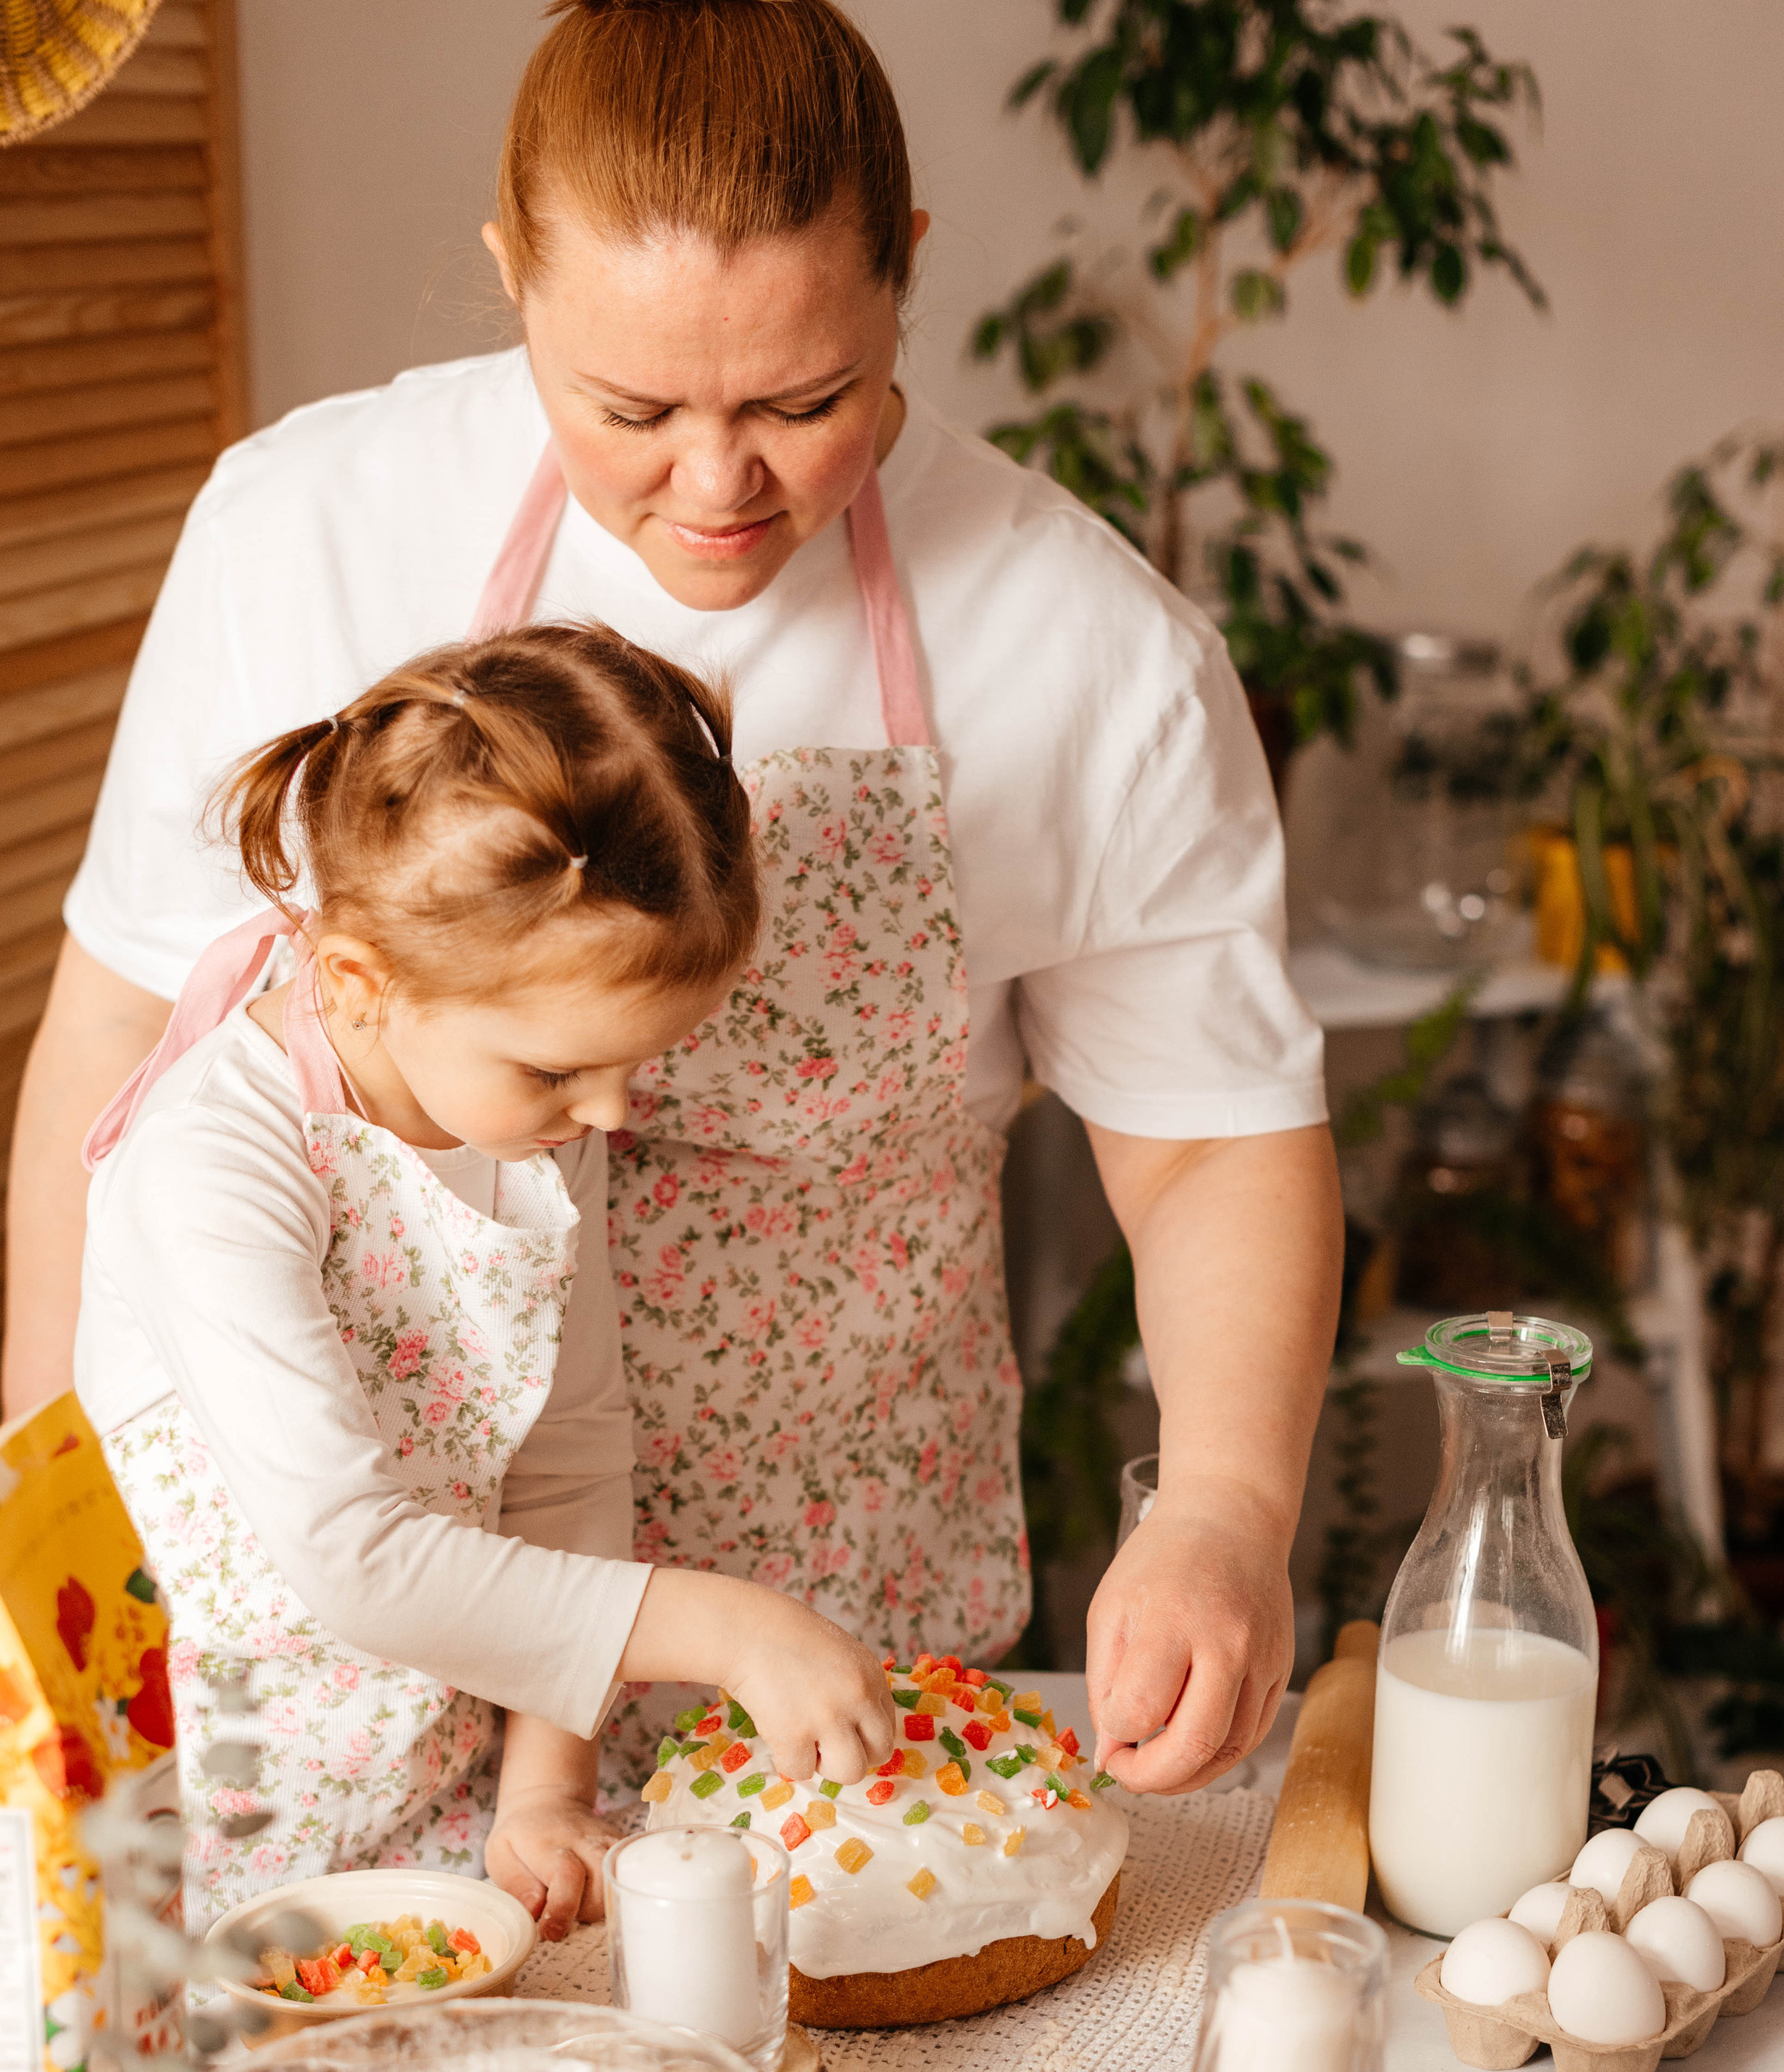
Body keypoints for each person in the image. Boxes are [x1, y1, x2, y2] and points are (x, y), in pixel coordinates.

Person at [14, 0, 1342, 1799]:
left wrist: (1225, 1510)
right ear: (513, 278)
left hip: (826, 1627)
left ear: (907, 276)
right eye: (627, 407)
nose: (718, 484)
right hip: (304, 1648)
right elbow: (120, 1030)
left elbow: (1204, 1141)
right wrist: (42, 1526)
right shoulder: (305, 526)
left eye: (804, 400)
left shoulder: (1084, 649)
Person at [75, 622, 893, 1931]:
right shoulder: (212, 1168)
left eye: (637, 1063)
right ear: (360, 979)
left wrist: (544, 1793)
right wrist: (730, 1628)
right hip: (209, 1828)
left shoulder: (529, 1119)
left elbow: (568, 1454)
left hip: (440, 1794)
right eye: (563, 1068)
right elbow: (352, 1561)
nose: (616, 1114)